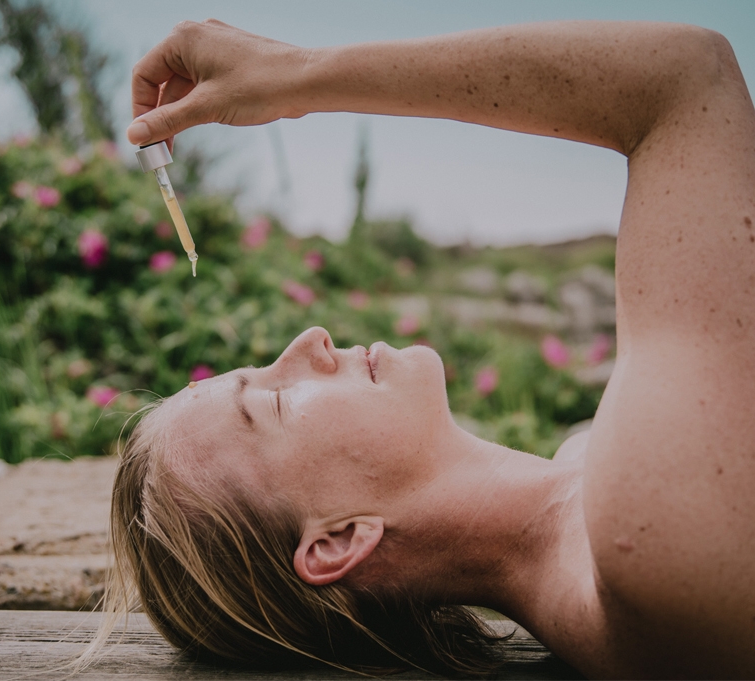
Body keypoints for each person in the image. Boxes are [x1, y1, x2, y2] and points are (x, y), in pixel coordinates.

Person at [89, 20, 755, 678]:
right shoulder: (646, 534)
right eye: (277, 397)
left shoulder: (585, 479)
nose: (309, 339)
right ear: (341, 537)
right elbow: (687, 77)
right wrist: (294, 74)